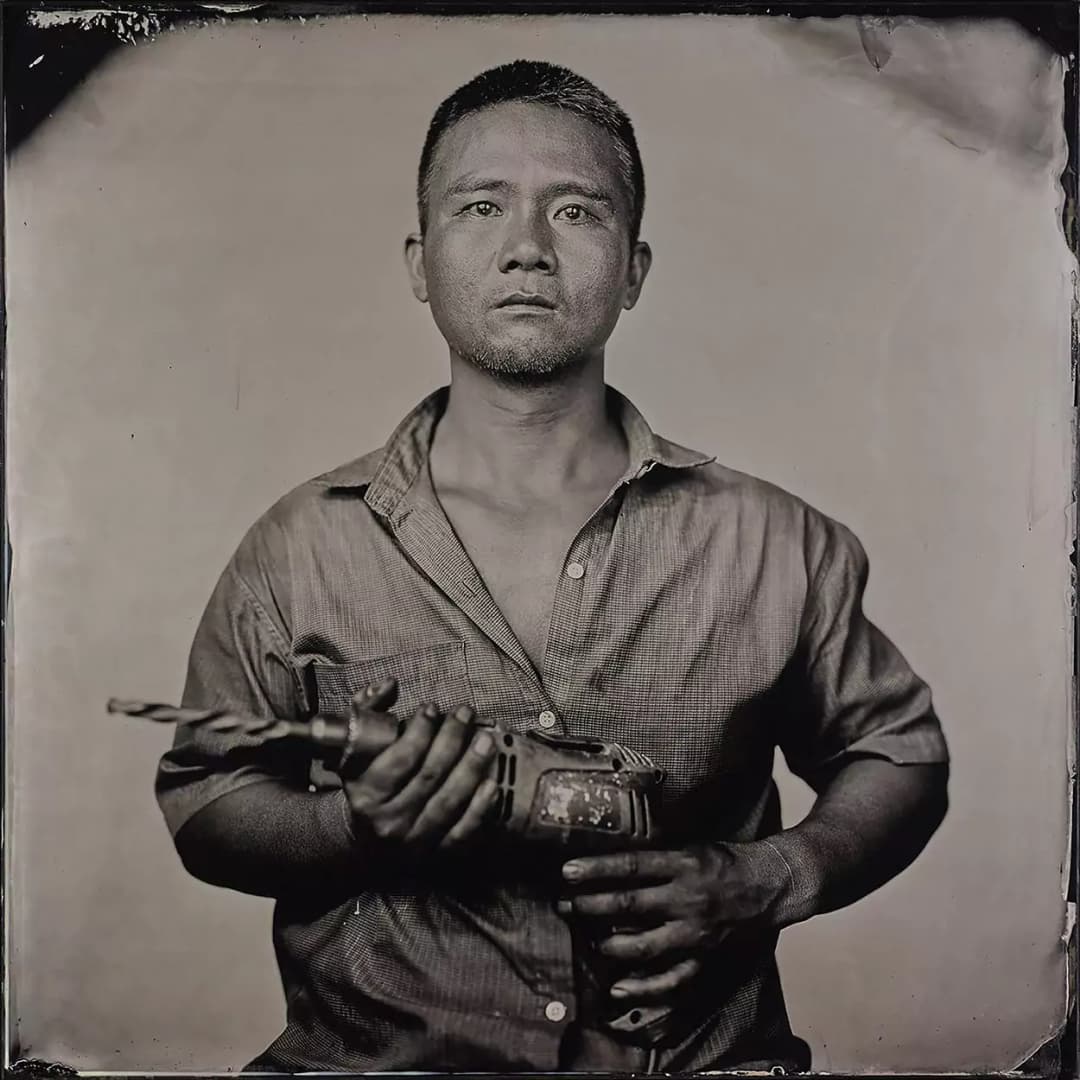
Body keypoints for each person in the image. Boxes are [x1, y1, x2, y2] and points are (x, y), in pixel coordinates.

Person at [155, 60, 950, 1074]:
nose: (526, 249)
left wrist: (771, 876)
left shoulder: (776, 541)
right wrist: (359, 827)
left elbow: (900, 754)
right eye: (481, 206)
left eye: (576, 212)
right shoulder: (299, 546)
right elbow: (208, 799)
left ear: (634, 270)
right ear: (419, 260)